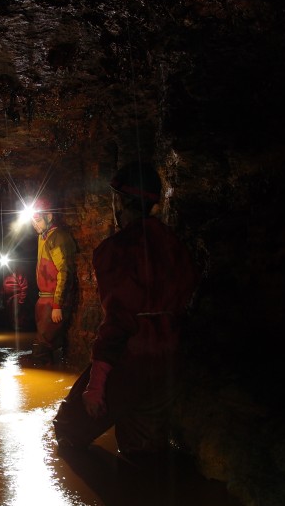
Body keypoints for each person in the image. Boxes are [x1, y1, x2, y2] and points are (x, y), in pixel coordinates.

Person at [53, 162, 199, 457]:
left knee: (68, 427)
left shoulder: (117, 249)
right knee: (141, 446)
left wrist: (97, 382)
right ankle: (146, 495)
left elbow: (119, 320)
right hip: (172, 356)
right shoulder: (176, 245)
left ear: (119, 201)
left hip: (133, 358)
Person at [29, 196, 77, 365]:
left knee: (42, 348)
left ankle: (42, 386)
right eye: (32, 221)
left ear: (49, 217)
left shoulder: (57, 237)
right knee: (47, 344)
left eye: (38, 220)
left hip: (52, 300)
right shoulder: (43, 237)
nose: (35, 225)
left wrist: (57, 304)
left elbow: (63, 271)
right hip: (44, 298)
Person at [0, 260, 30, 330]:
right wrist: (0, 297)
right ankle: (13, 326)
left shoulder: (19, 272)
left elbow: (24, 287)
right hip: (8, 298)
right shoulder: (6, 274)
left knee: (18, 313)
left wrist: (21, 300)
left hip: (17, 297)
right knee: (10, 313)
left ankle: (20, 327)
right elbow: (3, 286)